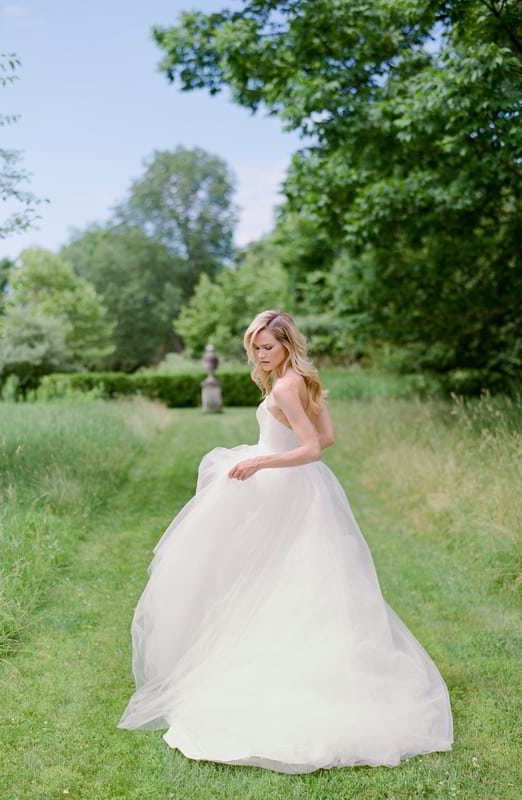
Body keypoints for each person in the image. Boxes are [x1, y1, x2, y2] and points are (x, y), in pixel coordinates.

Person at [118, 310, 453, 773]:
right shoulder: (303, 380)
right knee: (299, 579)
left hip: (284, 486)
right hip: (306, 489)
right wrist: (269, 453)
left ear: (287, 345)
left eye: (267, 347)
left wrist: (260, 463)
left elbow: (313, 446)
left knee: (273, 580)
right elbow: (327, 438)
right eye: (255, 347)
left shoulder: (285, 386)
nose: (260, 354)